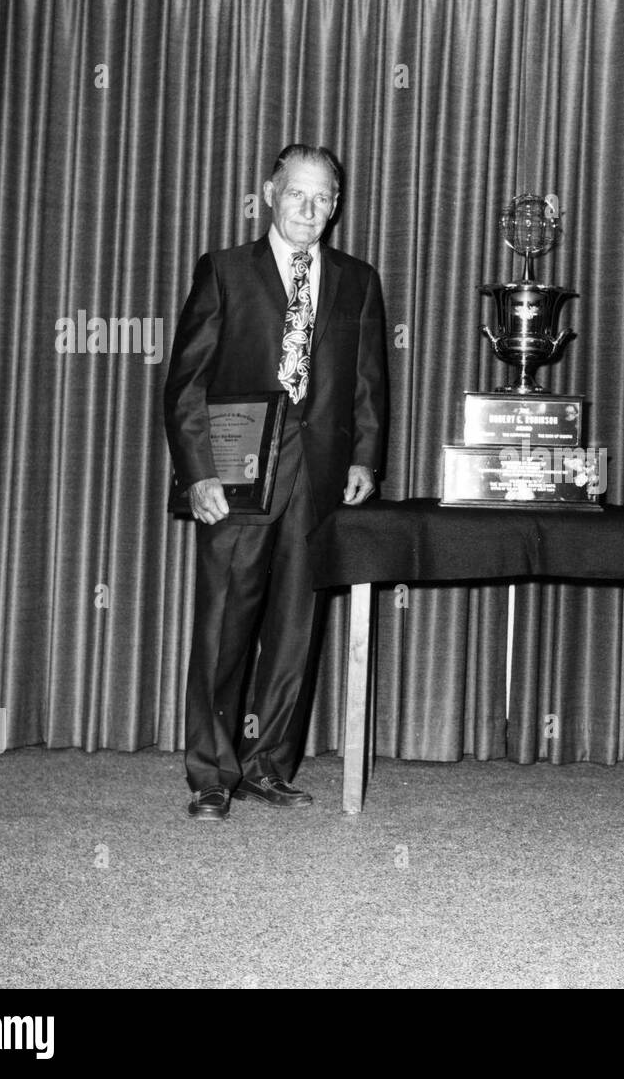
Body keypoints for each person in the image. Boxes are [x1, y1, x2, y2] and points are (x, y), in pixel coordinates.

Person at [165, 144, 387, 821]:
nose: (310, 209)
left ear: (337, 205)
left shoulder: (358, 280)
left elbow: (369, 384)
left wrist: (365, 461)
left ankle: (267, 765)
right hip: (238, 482)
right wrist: (198, 472)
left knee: (297, 628)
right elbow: (186, 384)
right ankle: (211, 774)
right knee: (223, 629)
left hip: (318, 483)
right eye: (298, 194)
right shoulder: (225, 271)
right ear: (269, 192)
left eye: (324, 198)